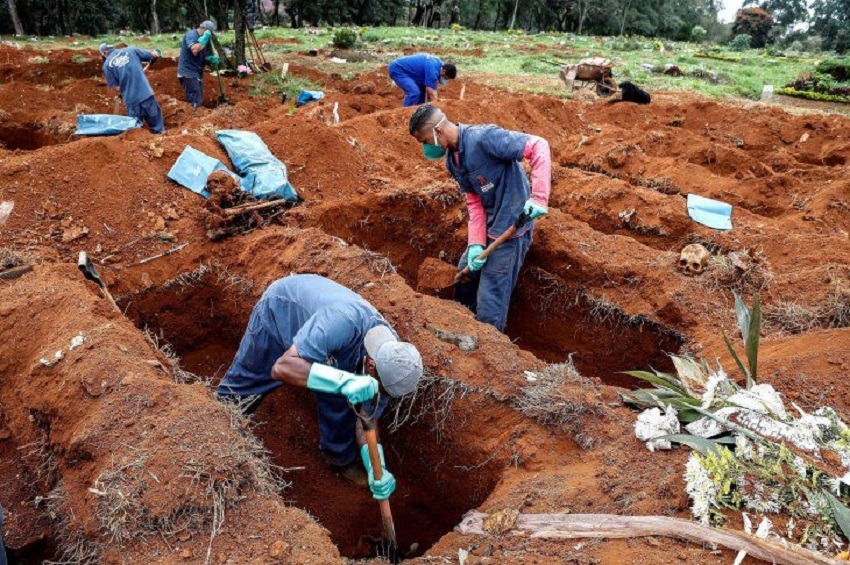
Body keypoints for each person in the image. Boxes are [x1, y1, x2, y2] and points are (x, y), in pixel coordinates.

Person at [216, 274, 423, 500]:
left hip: (330, 347)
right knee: (243, 388)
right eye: (379, 387)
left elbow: (366, 417)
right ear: (371, 364)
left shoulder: (391, 358)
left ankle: (340, 459)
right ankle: (214, 430)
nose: (379, 393)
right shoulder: (342, 322)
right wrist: (344, 381)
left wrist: (376, 467)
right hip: (280, 314)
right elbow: (282, 368)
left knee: (340, 398)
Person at [408, 104, 551, 332]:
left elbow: (538, 145)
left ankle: (489, 343)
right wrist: (475, 243)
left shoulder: (484, 138)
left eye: (425, 142)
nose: (426, 149)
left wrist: (539, 196)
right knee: (464, 275)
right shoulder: (453, 161)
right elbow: (474, 202)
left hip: (511, 229)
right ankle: (463, 328)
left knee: (490, 302)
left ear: (438, 132)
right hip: (488, 228)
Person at [99, 43, 164, 134]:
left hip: (131, 100)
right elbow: (154, 54)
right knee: (157, 125)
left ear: (104, 53)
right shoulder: (131, 50)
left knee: (136, 131)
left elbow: (116, 87)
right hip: (146, 94)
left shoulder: (107, 65)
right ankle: (161, 138)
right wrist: (157, 53)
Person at [177, 20, 220, 109]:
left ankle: (197, 117)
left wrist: (211, 59)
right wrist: (204, 39)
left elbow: (207, 55)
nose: (211, 36)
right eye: (210, 33)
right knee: (195, 99)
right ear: (205, 30)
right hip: (187, 72)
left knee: (199, 98)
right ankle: (194, 119)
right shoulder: (191, 35)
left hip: (197, 72)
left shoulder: (207, 39)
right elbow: (194, 50)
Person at [388, 53, 456, 107]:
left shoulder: (438, 65)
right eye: (445, 78)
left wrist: (431, 105)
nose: (443, 80)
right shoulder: (433, 70)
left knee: (422, 92)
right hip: (398, 69)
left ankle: (418, 113)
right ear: (443, 71)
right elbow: (431, 93)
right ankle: (404, 115)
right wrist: (437, 107)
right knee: (414, 92)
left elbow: (430, 94)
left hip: (413, 73)